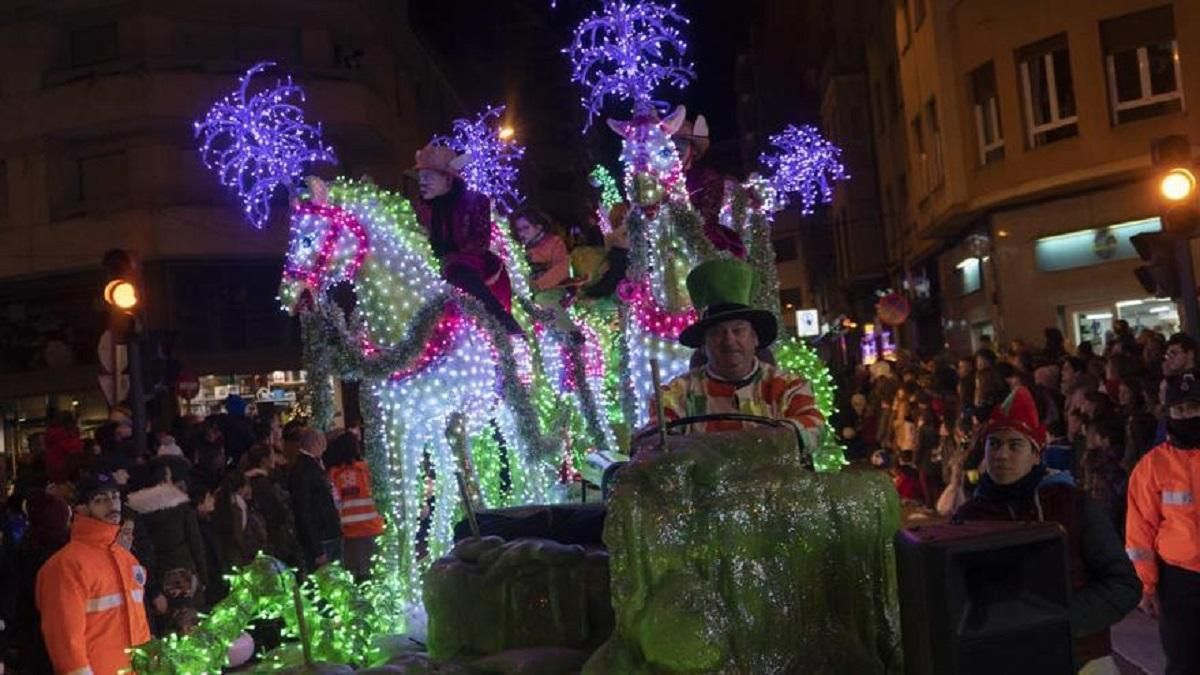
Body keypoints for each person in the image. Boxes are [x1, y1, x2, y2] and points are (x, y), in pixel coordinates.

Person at [954, 387, 1139, 673]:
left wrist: (1060, 620)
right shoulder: (968, 518)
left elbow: (1123, 584)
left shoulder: (1073, 505)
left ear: (1036, 455)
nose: (1002, 454)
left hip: (1083, 658)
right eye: (994, 444)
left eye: (1015, 445)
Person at [649, 259, 824, 450]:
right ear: (703, 345)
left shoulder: (789, 387)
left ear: (755, 338)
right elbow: (654, 439)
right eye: (717, 332)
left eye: (738, 330)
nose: (729, 340)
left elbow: (813, 427)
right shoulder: (675, 394)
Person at [36, 473, 151, 675]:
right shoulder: (66, 565)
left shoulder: (126, 559)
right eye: (100, 500)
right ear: (81, 508)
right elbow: (65, 638)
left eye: (115, 496)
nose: (112, 504)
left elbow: (139, 626)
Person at [1126, 369, 1200, 674]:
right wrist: (1147, 585)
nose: (1188, 415)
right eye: (1180, 409)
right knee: (1183, 663)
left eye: (1195, 407)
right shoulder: (1152, 466)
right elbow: (1140, 531)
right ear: (1168, 413)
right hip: (1179, 581)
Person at [412, 143, 521, 334]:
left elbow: (478, 243)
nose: (422, 182)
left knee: (460, 272)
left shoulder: (475, 201)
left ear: (447, 178)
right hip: (430, 261)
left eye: (428, 176)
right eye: (420, 177)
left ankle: (504, 323)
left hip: (467, 261)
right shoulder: (420, 208)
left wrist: (447, 254)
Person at [125, 461, 208, 623]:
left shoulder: (134, 512)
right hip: (185, 573)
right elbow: (196, 544)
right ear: (163, 480)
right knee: (190, 623)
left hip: (157, 575)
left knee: (168, 624)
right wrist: (203, 577)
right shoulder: (180, 506)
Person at [672, 114, 745, 257]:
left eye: (682, 141)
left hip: (706, 249)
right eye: (672, 141)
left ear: (694, 150)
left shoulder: (708, 178)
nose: (676, 146)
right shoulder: (662, 181)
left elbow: (707, 219)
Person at [325, 433, 385, 581]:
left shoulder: (334, 474)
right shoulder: (366, 469)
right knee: (375, 575)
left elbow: (335, 503)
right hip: (372, 528)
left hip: (349, 532)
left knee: (355, 577)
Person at [288, 427, 343, 570]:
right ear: (316, 443)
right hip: (322, 535)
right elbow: (303, 511)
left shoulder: (305, 466)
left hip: (323, 534)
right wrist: (316, 549)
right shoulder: (306, 469)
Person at [242, 445, 303, 568]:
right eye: (272, 455)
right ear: (264, 460)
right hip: (272, 536)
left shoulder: (253, 481)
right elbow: (276, 510)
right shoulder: (263, 483)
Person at [509, 207, 572, 294]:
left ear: (538, 227)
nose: (522, 234)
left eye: (526, 228)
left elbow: (562, 267)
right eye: (519, 230)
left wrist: (538, 285)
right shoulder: (518, 248)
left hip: (553, 290)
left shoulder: (554, 242)